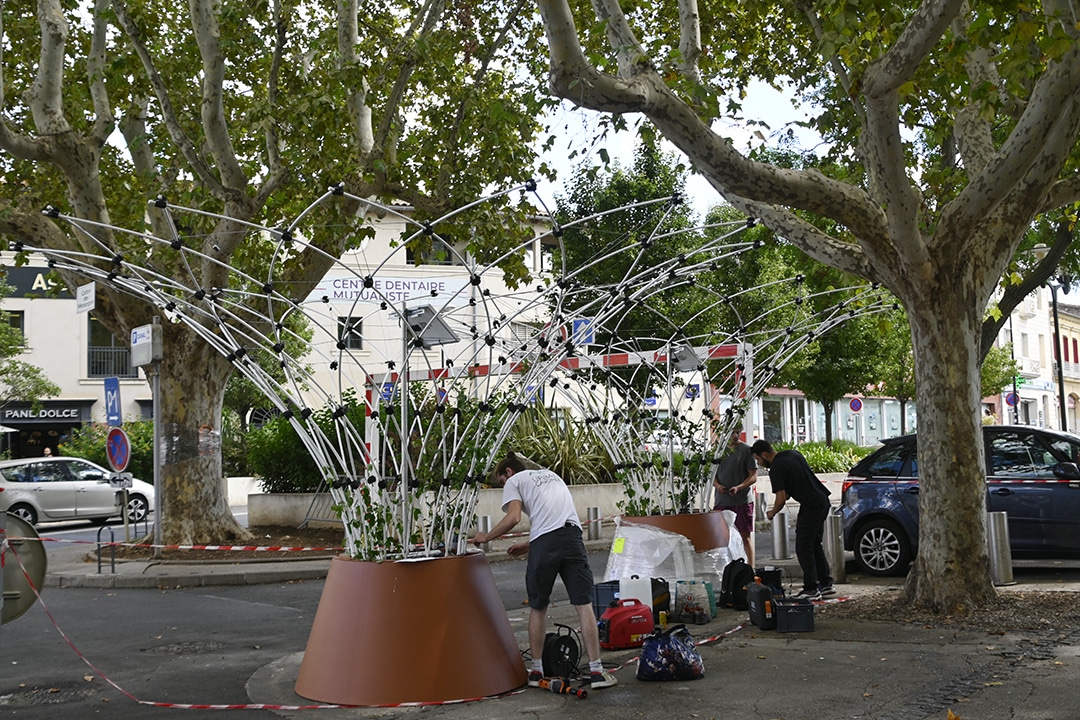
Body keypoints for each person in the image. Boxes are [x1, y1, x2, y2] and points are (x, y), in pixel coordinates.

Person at [470, 452, 617, 690]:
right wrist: (529, 545)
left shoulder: (515, 481)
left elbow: (514, 517)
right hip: (572, 538)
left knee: (538, 608)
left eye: (501, 482)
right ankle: (597, 672)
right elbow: (554, 519)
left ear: (509, 472)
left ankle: (536, 671)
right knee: (584, 604)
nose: (503, 487)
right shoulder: (551, 475)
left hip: (545, 544)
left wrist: (486, 536)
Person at [750, 439, 835, 600]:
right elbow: (798, 479)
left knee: (803, 547)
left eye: (758, 459)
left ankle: (811, 588)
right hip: (822, 500)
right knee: (815, 544)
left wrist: (772, 512)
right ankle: (826, 583)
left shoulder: (776, 468)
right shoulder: (792, 454)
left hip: (810, 506)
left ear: (764, 454)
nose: (759, 464)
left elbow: (781, 499)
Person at [713, 427, 758, 568]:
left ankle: (751, 568)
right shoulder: (717, 450)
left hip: (742, 500)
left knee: (745, 536)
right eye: (732, 432)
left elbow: (753, 476)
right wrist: (718, 486)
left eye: (738, 432)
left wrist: (739, 487)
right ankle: (726, 569)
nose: (735, 436)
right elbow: (711, 475)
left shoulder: (746, 450)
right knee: (721, 538)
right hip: (722, 500)